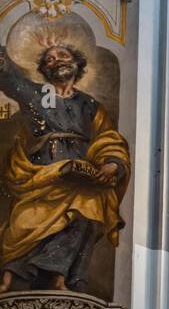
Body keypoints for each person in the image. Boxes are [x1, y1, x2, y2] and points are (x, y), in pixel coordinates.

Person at [0, 43, 130, 293]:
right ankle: (10, 278)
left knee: (88, 213)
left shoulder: (89, 106)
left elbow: (108, 137)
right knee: (26, 219)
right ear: (44, 70)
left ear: (77, 63)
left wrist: (113, 162)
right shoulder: (34, 94)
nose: (57, 60)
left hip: (80, 177)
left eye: (63, 55)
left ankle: (61, 278)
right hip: (41, 174)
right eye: (49, 59)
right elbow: (9, 76)